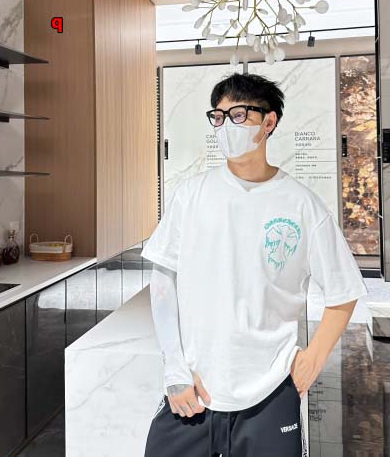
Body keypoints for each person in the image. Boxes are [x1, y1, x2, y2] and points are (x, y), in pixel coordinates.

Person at [141, 72, 368, 457]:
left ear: (269, 122)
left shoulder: (302, 205)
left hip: (269, 391)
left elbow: (343, 292)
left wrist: (313, 359)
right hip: (194, 388)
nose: (226, 126)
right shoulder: (191, 195)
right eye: (218, 116)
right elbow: (163, 281)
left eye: (239, 115)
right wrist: (174, 368)